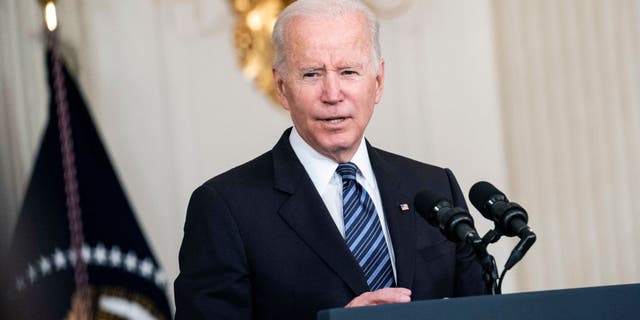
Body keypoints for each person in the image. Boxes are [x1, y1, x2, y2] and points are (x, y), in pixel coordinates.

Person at [174, 0, 485, 319]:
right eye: (311, 74)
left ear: (377, 82)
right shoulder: (224, 208)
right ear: (282, 87)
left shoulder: (434, 188)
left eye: (348, 72)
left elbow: (482, 310)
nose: (332, 93)